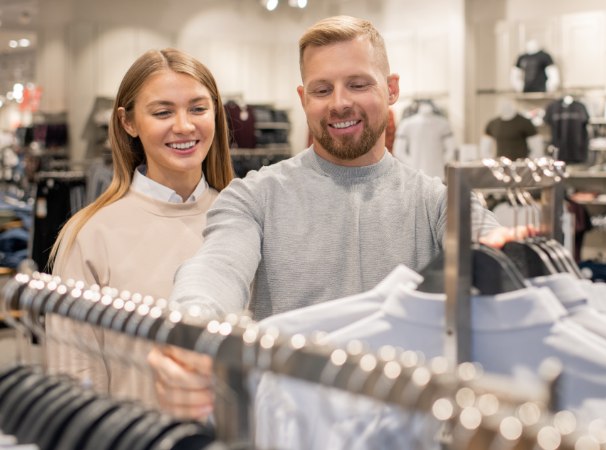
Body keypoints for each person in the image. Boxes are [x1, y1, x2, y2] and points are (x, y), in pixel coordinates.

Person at [149, 15, 500, 419]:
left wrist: (514, 256)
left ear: (391, 89)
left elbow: (494, 251)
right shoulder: (254, 196)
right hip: (291, 431)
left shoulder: (438, 203)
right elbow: (215, 269)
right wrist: (189, 331)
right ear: (303, 98)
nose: (339, 103)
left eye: (357, 83)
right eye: (322, 89)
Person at [46, 48, 235, 403]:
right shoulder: (90, 235)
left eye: (198, 108)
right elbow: (74, 379)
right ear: (128, 122)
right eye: (163, 112)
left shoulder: (243, 220)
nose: (184, 125)